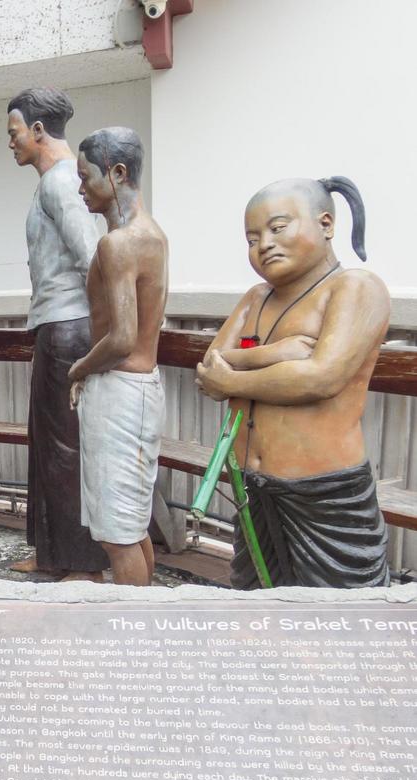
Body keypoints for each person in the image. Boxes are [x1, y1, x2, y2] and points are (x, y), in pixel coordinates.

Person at [195, 176, 390, 589]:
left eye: (277, 228)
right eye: (252, 238)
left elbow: (320, 378)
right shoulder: (255, 297)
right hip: (250, 483)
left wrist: (238, 377)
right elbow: (211, 369)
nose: (263, 244)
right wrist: (280, 353)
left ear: (326, 224)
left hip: (324, 490)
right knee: (257, 601)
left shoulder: (354, 288)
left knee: (340, 617)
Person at [3, 87, 108, 582]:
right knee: (48, 445)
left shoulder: (62, 181)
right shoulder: (55, 182)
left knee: (68, 450)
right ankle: (52, 554)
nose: (11, 142)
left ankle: (83, 563)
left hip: (70, 329)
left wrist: (102, 335)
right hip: (55, 326)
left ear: (39, 131)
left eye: (15, 132)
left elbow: (92, 258)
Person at [67, 127, 168, 587]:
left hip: (121, 390)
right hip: (138, 390)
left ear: (118, 172)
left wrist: (80, 367)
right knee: (130, 525)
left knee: (117, 536)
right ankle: (146, 623)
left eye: (86, 176)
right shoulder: (152, 235)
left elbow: (124, 338)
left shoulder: (120, 242)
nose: (81, 187)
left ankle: (137, 642)